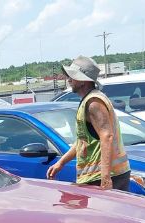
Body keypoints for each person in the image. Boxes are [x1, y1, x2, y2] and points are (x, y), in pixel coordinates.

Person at [46, 55, 130, 191]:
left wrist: (106, 177)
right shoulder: (88, 101)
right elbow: (82, 142)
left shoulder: (93, 102)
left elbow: (107, 136)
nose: (69, 80)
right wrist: (61, 163)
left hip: (102, 177)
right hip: (95, 177)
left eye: (72, 76)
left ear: (83, 81)